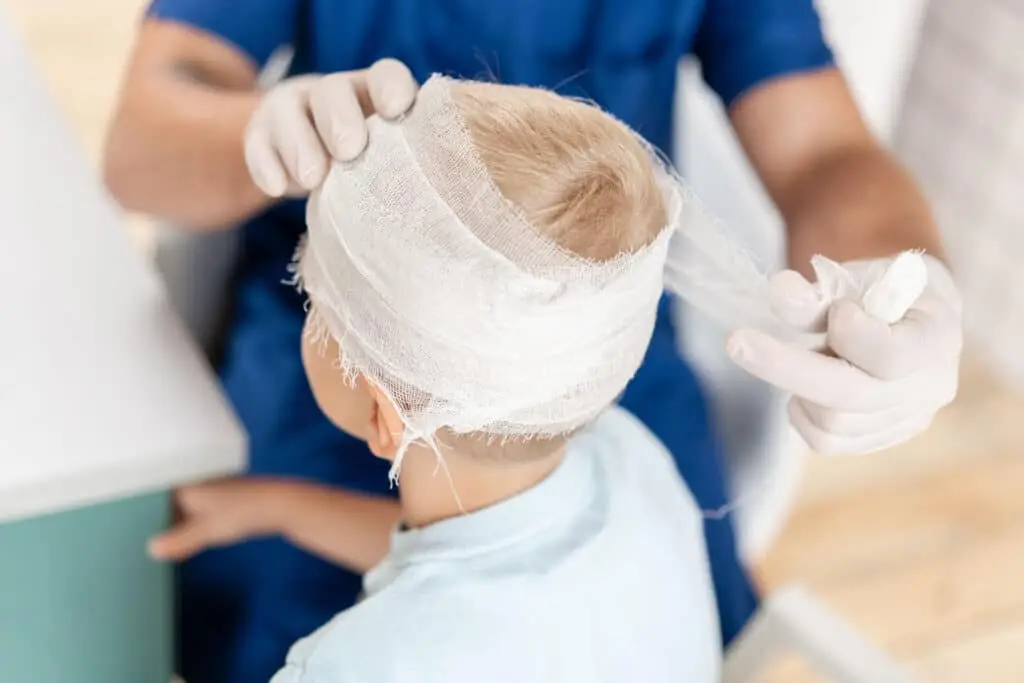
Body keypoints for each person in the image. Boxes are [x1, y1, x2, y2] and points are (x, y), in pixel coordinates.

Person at [103, 2, 962, 682]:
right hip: (541, 371)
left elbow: (824, 147)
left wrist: (895, 285)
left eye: (308, 271)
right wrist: (249, 131)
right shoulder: (631, 461)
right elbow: (139, 144)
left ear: (379, 413)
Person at [150, 77, 724, 683]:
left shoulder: (352, 667)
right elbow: (489, 564)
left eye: (312, 295)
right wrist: (282, 508)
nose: (305, 307)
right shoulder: (633, 461)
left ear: (383, 416)